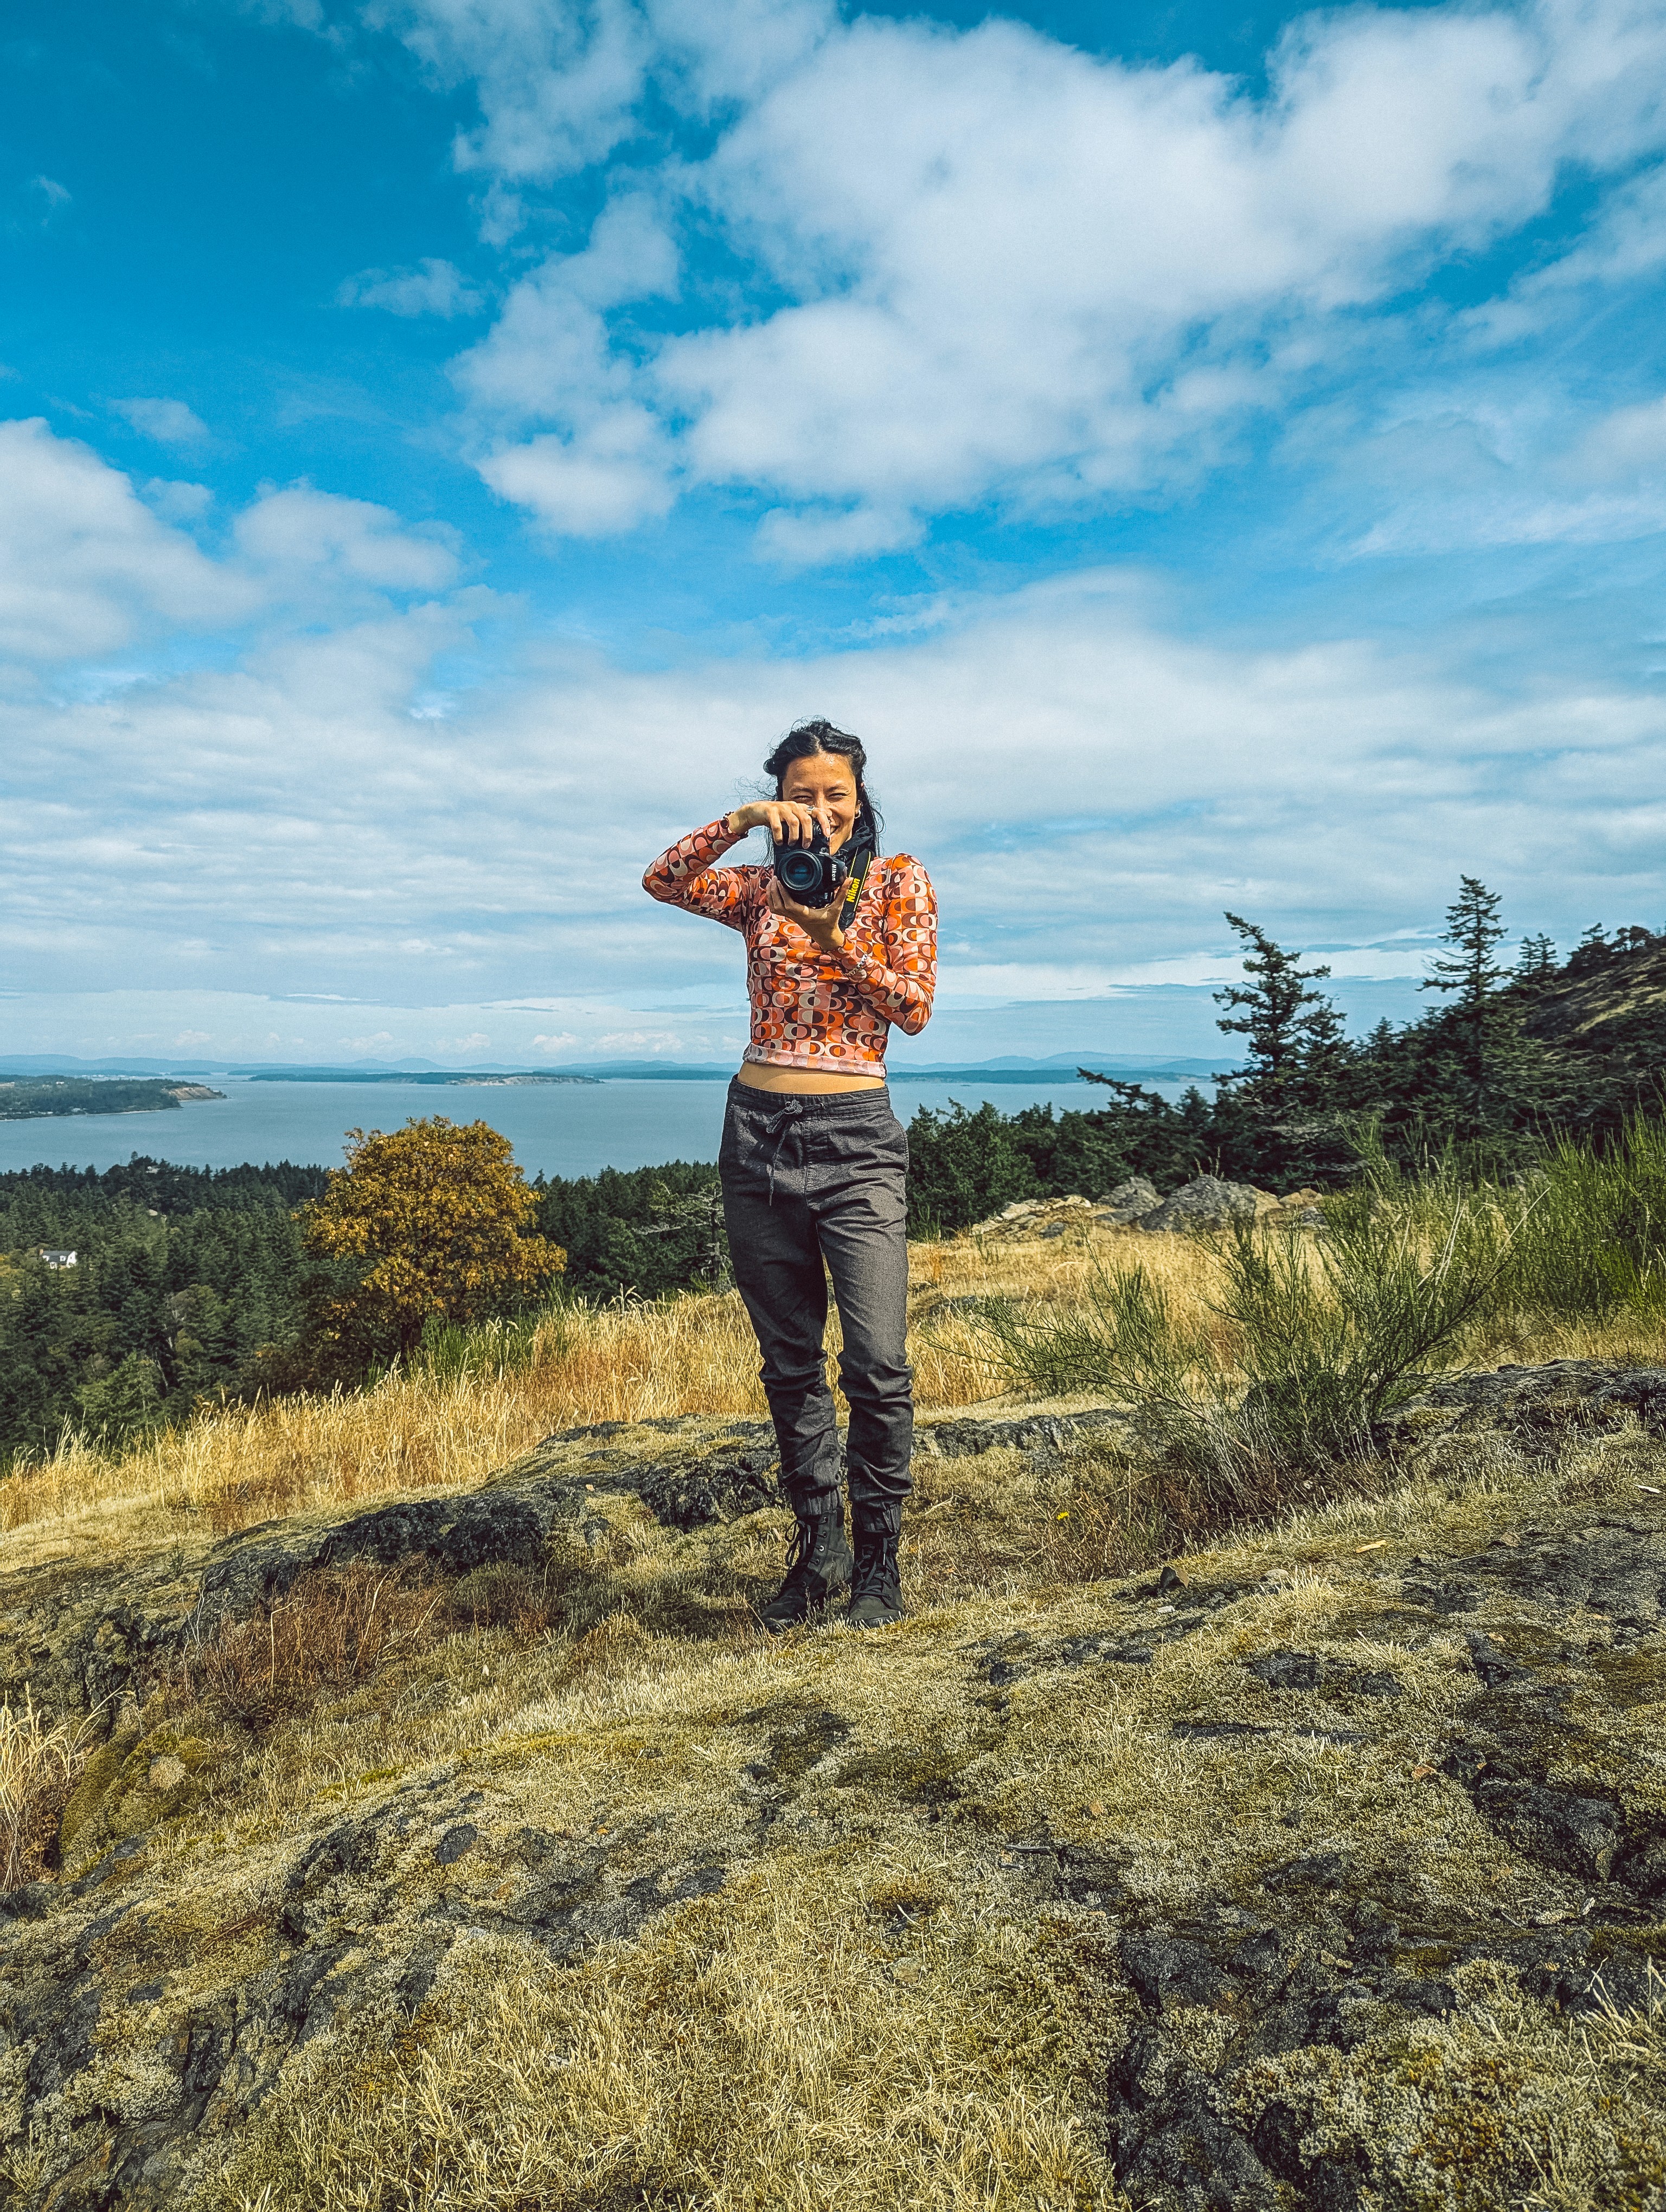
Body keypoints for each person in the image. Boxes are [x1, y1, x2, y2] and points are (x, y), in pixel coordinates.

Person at [642, 719, 937, 1631]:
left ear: (861, 800)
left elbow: (914, 1007)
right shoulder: (759, 886)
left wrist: (835, 935)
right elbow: (663, 879)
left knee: (878, 1363)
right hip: (758, 1131)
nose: (819, 809)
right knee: (790, 1364)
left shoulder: (897, 881)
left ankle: (879, 1561)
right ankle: (817, 1554)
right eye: (800, 794)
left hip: (855, 1135)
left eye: (834, 794)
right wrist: (738, 819)